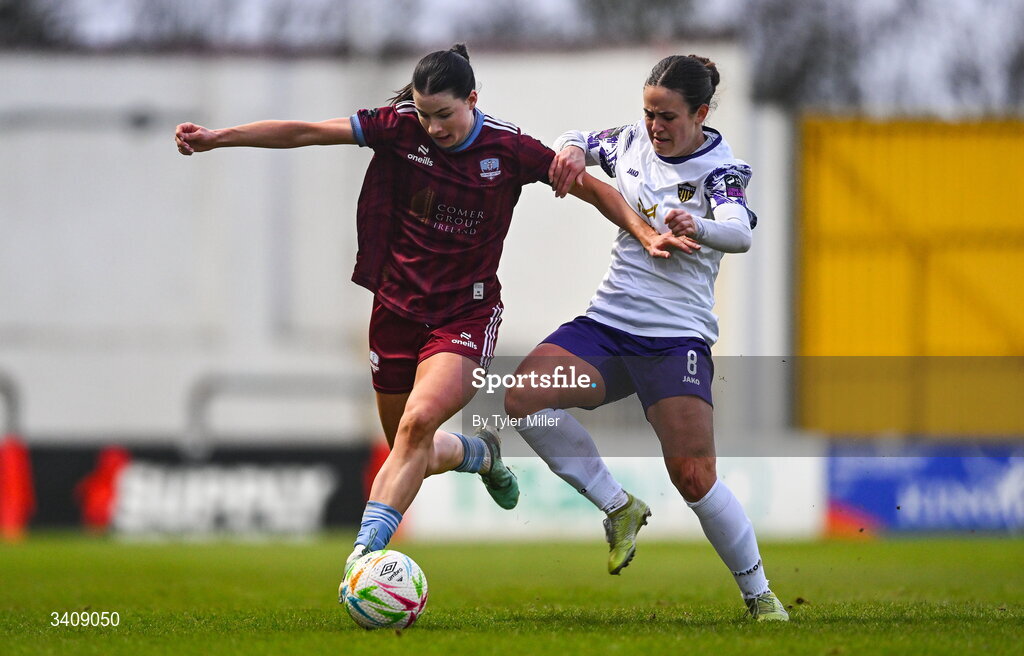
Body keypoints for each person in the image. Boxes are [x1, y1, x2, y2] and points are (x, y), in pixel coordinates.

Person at [174, 45, 695, 585]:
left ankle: (361, 560)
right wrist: (218, 138)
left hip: (464, 317)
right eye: (423, 114)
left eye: (443, 114)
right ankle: (479, 455)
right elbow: (305, 131)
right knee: (407, 442)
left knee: (418, 424)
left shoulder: (507, 149)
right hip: (395, 311)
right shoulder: (399, 129)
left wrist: (645, 231)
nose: (432, 126)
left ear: (472, 99)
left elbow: (594, 190)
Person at [503, 54, 789, 621]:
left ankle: (761, 597)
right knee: (521, 398)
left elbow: (738, 233)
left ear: (701, 113)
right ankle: (618, 506)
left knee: (693, 476)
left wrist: (697, 225)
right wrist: (571, 151)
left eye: (668, 117)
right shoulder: (630, 142)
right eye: (649, 112)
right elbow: (578, 138)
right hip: (608, 326)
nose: (655, 126)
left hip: (674, 339)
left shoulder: (722, 172)